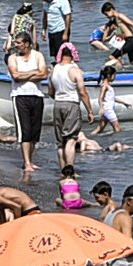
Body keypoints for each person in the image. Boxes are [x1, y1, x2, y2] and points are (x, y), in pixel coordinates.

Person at [6, 29, 48, 172]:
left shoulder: (38, 55)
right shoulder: (13, 58)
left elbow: (43, 74)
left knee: (35, 132)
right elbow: (16, 76)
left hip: (37, 95)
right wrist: (33, 73)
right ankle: (27, 162)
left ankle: (31, 160)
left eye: (18, 43)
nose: (16, 45)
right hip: (20, 96)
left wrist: (27, 74)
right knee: (25, 130)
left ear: (27, 44)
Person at [48, 42, 95, 172]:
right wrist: (90, 111)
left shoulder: (54, 70)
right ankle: (70, 170)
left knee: (60, 142)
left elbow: (50, 92)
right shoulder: (74, 71)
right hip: (72, 104)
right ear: (73, 55)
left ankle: (62, 169)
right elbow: (83, 92)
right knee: (70, 139)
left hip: (58, 104)